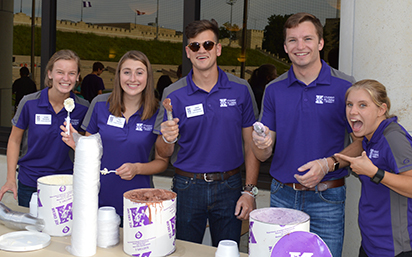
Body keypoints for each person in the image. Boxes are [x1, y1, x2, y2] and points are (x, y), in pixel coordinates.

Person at [251, 13, 362, 257]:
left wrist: (327, 164)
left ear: (321, 43)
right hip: (283, 196)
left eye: (307, 39)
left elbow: (360, 144)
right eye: (292, 40)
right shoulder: (274, 89)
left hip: (328, 197)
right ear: (285, 47)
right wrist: (261, 143)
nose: (300, 47)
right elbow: (262, 153)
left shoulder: (345, 86)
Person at [154, 19, 260, 247]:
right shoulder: (173, 93)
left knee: (228, 251)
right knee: (184, 250)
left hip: (230, 185)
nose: (202, 50)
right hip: (187, 186)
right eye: (195, 46)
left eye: (208, 45)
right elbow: (162, 152)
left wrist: (249, 192)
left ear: (218, 48)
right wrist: (167, 137)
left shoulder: (241, 89)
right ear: (188, 52)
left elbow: (251, 144)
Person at [61, 50, 169, 219]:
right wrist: (78, 144)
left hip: (138, 201)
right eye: (127, 72)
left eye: (139, 73)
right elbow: (91, 153)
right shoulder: (100, 104)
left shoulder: (157, 111)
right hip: (98, 198)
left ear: (147, 77)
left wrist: (137, 168)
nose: (133, 79)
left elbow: (162, 162)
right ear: (119, 76)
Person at [0, 49, 89, 207]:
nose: (66, 78)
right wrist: (10, 179)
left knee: (62, 231)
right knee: (32, 230)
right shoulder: (29, 103)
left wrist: (78, 141)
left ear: (77, 77)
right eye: (60, 72)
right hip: (31, 184)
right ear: (50, 74)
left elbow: (87, 148)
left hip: (67, 184)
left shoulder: (83, 107)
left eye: (71, 73)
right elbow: (14, 140)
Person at [335, 79, 412, 257]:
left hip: (395, 249)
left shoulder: (393, 138)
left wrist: (374, 173)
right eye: (349, 104)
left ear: (381, 110)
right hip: (371, 244)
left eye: (363, 105)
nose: (353, 111)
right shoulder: (370, 137)